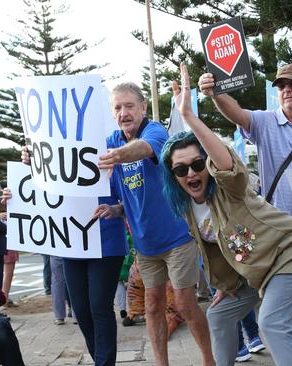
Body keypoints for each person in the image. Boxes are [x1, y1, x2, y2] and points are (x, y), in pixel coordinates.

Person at [165, 64, 292, 366]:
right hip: (256, 269)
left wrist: (189, 117)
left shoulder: (228, 187)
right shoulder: (187, 208)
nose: (192, 173)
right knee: (219, 314)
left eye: (197, 164)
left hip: (290, 252)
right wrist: (226, 285)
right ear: (173, 176)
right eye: (181, 169)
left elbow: (225, 164)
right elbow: (216, 250)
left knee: (271, 323)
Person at [198, 62, 292, 365]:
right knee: (285, 310)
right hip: (282, 238)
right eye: (280, 86)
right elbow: (236, 112)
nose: (286, 90)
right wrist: (215, 95)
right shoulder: (264, 123)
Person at [98, 81, 215, 366]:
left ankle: (209, 360)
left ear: (143, 107)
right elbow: (125, 192)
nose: (123, 113)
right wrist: (115, 209)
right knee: (151, 306)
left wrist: (119, 154)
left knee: (186, 303)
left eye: (129, 106)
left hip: (178, 237)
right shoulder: (111, 139)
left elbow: (145, 149)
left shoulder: (155, 131)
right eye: (117, 107)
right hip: (145, 244)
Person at [17, 147, 130, 365]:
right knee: (81, 311)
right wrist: (34, 163)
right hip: (72, 244)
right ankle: (101, 359)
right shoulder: (56, 160)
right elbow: (39, 194)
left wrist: (116, 209)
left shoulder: (109, 153)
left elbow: (132, 199)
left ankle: (103, 362)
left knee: (99, 306)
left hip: (106, 243)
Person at [0, 196, 18, 307]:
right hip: (9, 245)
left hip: (2, 245)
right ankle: (4, 297)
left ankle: (4, 296)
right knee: (8, 274)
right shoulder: (7, 215)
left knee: (3, 273)